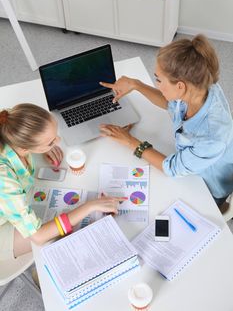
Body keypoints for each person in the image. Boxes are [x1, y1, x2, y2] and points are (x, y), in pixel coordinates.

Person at [99, 34, 233, 210]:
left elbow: (171, 168)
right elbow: (171, 104)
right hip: (191, 163)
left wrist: (130, 141)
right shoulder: (199, 86)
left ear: (180, 86)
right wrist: (136, 84)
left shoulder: (212, 137)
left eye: (158, 80)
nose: (157, 85)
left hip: (206, 188)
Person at [0, 103, 125, 261]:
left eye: (54, 136)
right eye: (51, 142)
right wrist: (90, 206)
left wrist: (44, 146)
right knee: (57, 238)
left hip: (12, 203)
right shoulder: (4, 181)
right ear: (24, 147)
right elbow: (39, 236)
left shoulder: (10, 123)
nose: (58, 141)